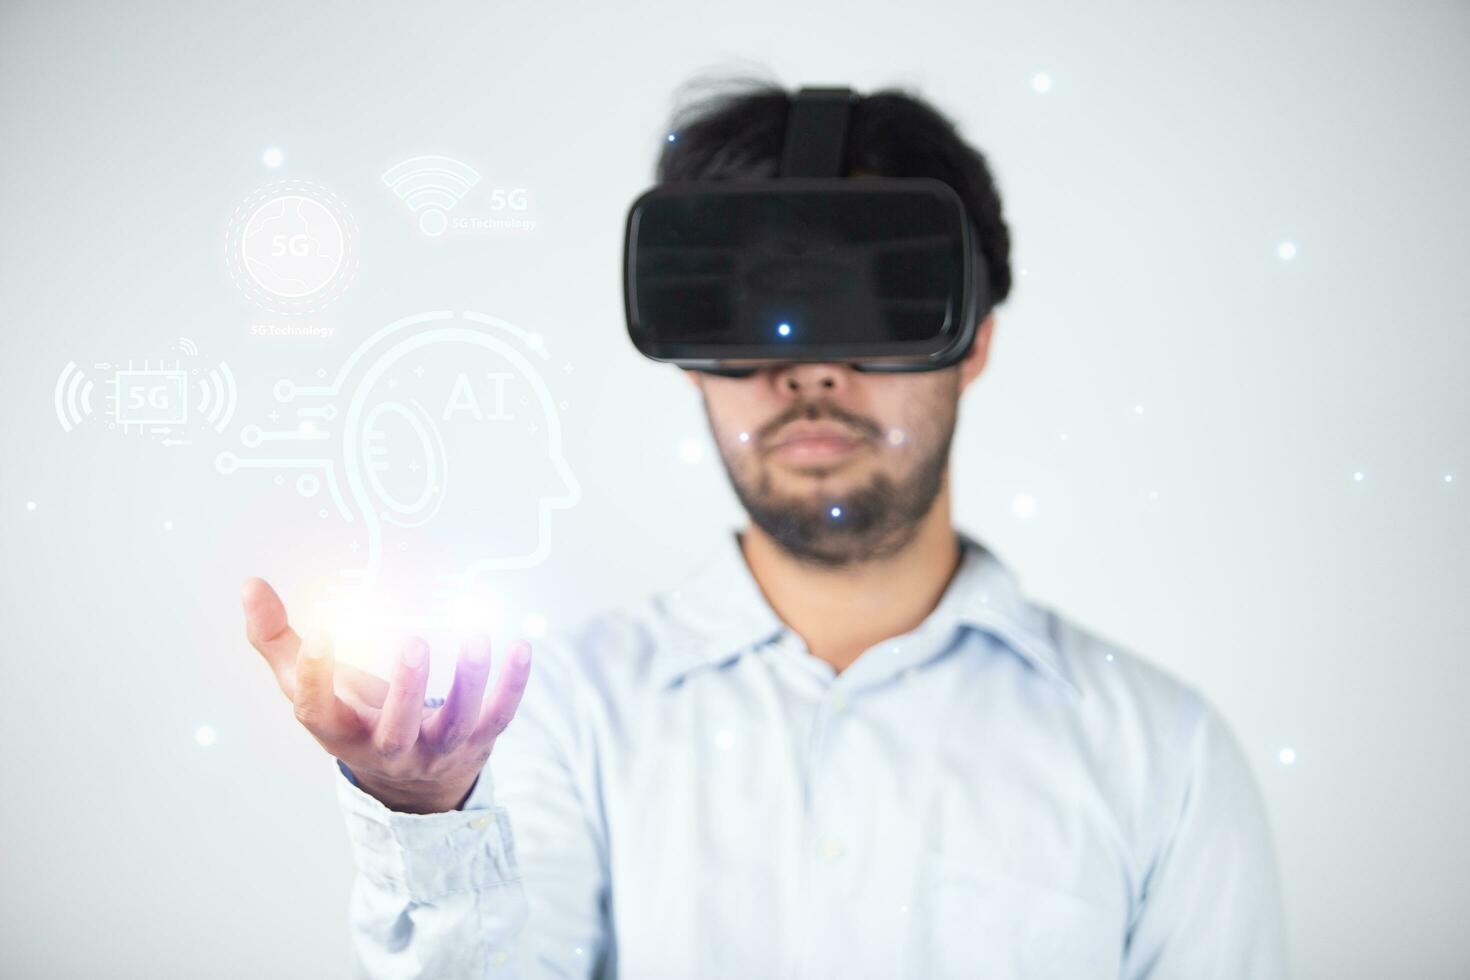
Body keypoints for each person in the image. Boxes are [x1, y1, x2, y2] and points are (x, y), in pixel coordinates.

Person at [240, 79, 1289, 979]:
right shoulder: (557, 719)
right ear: (695, 351)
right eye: (759, 318)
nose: (810, 370)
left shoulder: (1162, 752)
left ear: (971, 344)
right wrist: (427, 818)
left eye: (875, 308)